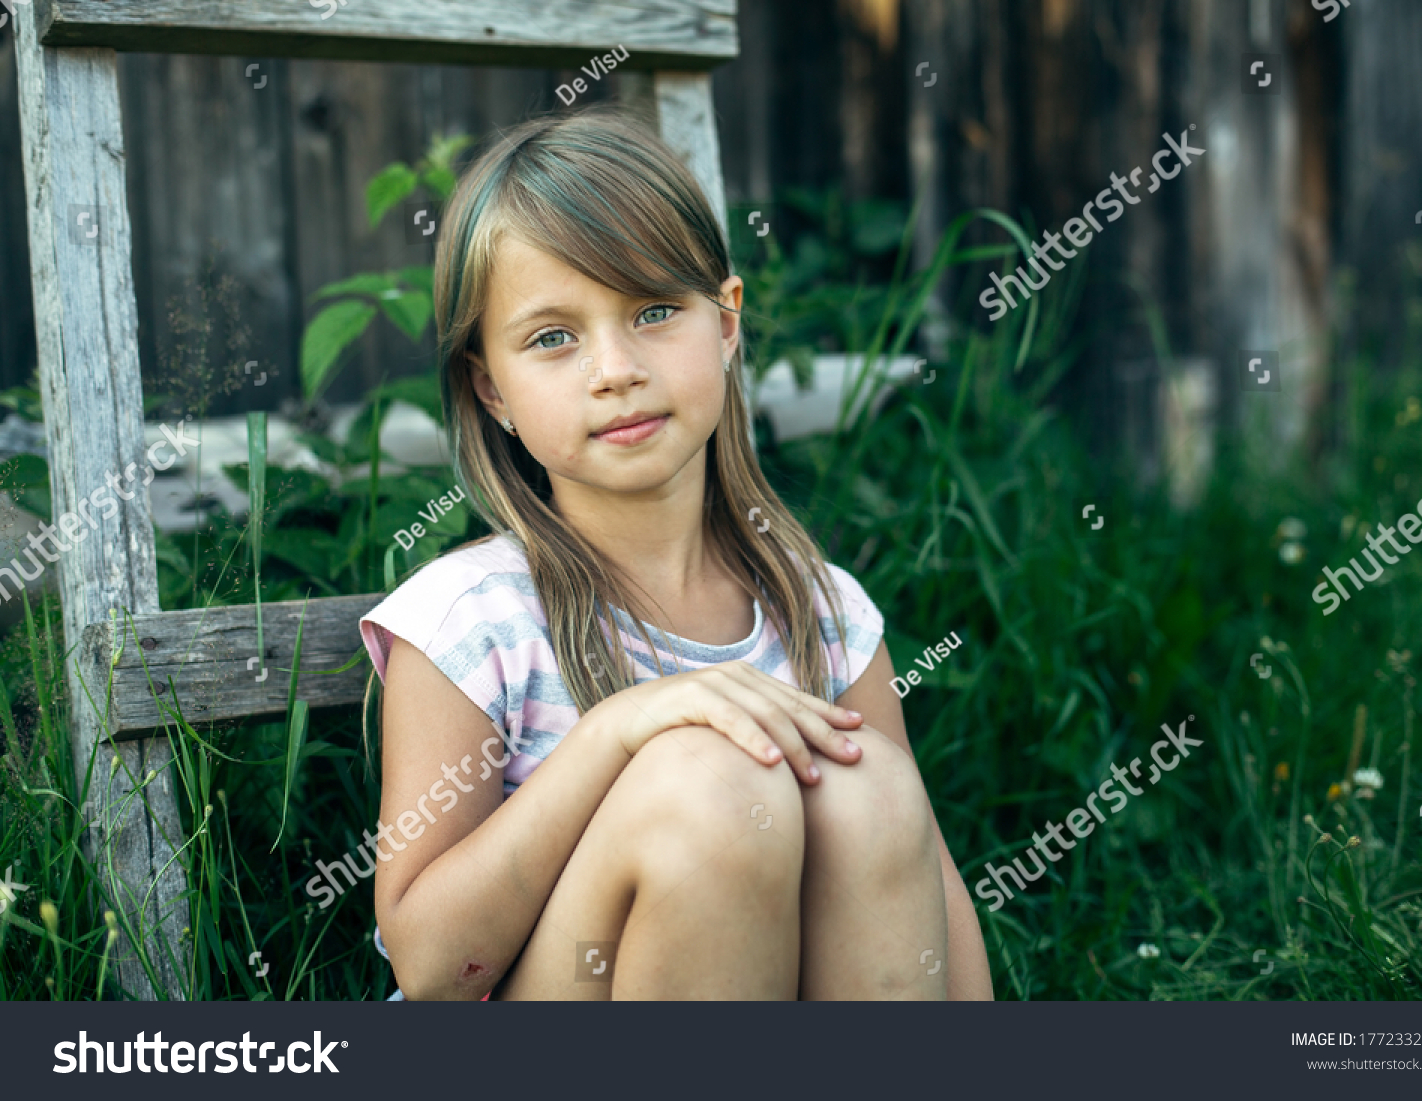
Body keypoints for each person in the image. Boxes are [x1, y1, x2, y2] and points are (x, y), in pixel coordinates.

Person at [358, 108, 991, 1000]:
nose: (614, 368)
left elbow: (925, 879)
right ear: (492, 387)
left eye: (654, 310)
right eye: (553, 337)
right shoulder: (472, 620)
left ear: (726, 323)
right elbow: (429, 969)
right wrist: (619, 732)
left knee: (872, 788)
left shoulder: (821, 609)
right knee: (706, 784)